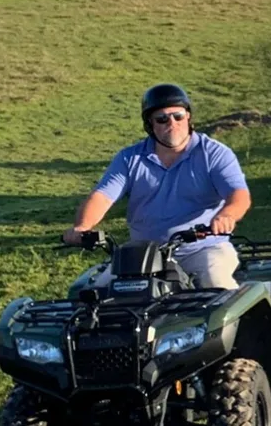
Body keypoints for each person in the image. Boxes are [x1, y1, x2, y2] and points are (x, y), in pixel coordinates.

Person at [63, 83, 252, 289]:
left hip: (204, 249)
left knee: (216, 285)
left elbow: (238, 195)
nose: (172, 123)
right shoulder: (130, 158)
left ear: (188, 117)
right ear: (150, 125)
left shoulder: (213, 154)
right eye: (162, 119)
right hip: (144, 255)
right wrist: (83, 226)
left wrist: (227, 215)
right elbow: (102, 196)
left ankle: (243, 321)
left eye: (178, 116)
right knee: (96, 294)